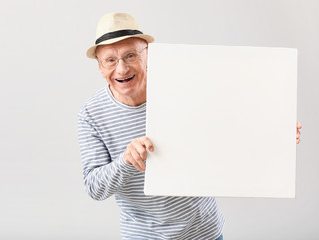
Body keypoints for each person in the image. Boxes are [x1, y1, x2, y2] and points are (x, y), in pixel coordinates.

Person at [78, 12, 302, 240]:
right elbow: (95, 188)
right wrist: (126, 160)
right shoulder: (91, 114)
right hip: (145, 236)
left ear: (147, 55)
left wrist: (275, 130)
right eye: (110, 60)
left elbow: (229, 128)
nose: (122, 69)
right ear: (99, 66)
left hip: (205, 232)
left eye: (130, 55)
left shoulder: (183, 87)